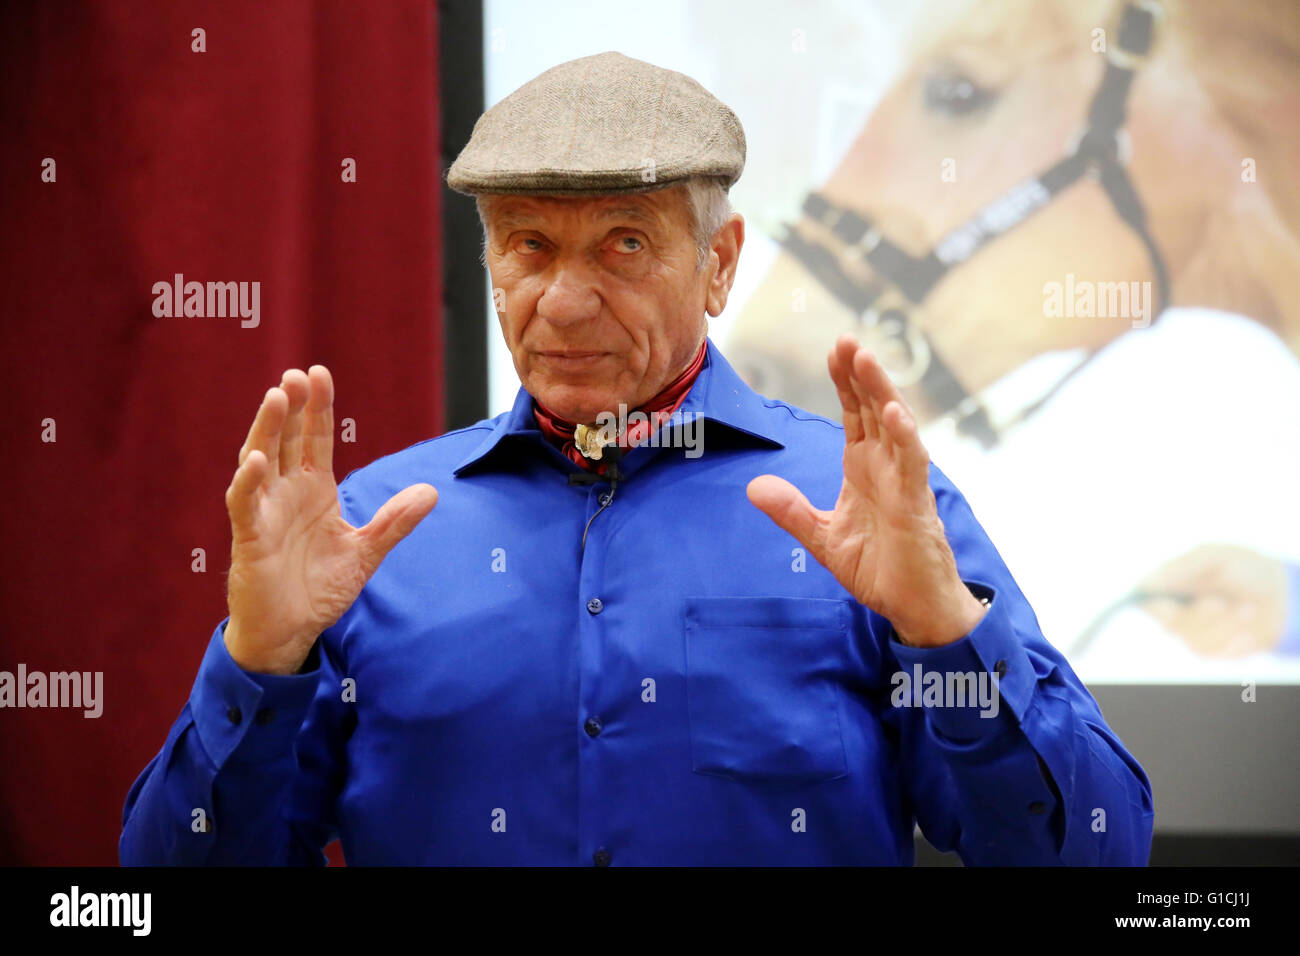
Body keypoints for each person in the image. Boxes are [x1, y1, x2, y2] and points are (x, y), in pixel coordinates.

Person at [120, 51, 1153, 866]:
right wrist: (255, 662)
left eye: (623, 243)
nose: (563, 301)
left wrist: (946, 636)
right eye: (527, 245)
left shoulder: (862, 506)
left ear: (720, 262)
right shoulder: (369, 529)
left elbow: (1095, 856)